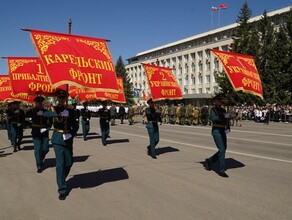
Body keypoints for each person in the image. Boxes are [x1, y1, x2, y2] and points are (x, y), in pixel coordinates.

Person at [43, 89, 77, 200]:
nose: (62, 99)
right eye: (60, 98)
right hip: (57, 139)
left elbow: (75, 125)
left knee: (69, 162)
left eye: (63, 98)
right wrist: (57, 112)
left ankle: (61, 178)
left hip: (68, 139)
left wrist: (72, 134)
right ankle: (62, 189)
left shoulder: (71, 111)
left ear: (66, 99)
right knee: (60, 164)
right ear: (57, 98)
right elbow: (46, 114)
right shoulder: (54, 109)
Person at [204, 94, 230, 178]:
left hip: (223, 130)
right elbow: (213, 118)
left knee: (224, 149)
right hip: (217, 131)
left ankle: (210, 160)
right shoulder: (213, 110)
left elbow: (227, 120)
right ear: (215, 101)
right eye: (219, 100)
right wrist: (221, 116)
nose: (221, 102)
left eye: (221, 100)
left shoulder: (223, 110)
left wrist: (228, 126)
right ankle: (221, 170)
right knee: (222, 150)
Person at [26, 96, 51, 173]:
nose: (39, 104)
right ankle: (39, 166)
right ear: (35, 103)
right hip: (36, 131)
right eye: (38, 102)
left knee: (45, 148)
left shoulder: (45, 111)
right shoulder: (31, 111)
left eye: (40, 102)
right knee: (37, 150)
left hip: (44, 131)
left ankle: (40, 158)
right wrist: (31, 125)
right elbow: (27, 119)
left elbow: (50, 121)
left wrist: (47, 127)